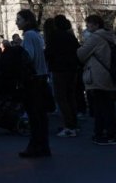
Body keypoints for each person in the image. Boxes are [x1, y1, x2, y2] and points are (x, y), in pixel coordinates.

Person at [77, 15, 116, 146]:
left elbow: (80, 54)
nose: (87, 27)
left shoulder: (95, 37)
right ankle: (104, 132)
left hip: (98, 76)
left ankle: (107, 134)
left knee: (101, 106)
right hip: (109, 75)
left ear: (96, 25)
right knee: (107, 106)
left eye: (89, 24)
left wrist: (82, 44)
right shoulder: (110, 36)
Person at [15, 9, 51, 158]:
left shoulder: (29, 35)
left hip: (33, 80)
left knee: (34, 115)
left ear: (27, 21)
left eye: (19, 19)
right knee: (41, 116)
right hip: (41, 78)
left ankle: (35, 146)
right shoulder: (37, 35)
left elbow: (29, 56)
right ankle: (43, 146)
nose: (17, 22)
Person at [45, 14, 80, 138]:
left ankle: (69, 126)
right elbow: (77, 50)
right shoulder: (70, 36)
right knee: (70, 97)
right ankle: (73, 124)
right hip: (72, 69)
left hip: (59, 69)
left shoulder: (54, 36)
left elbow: (49, 52)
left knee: (61, 98)